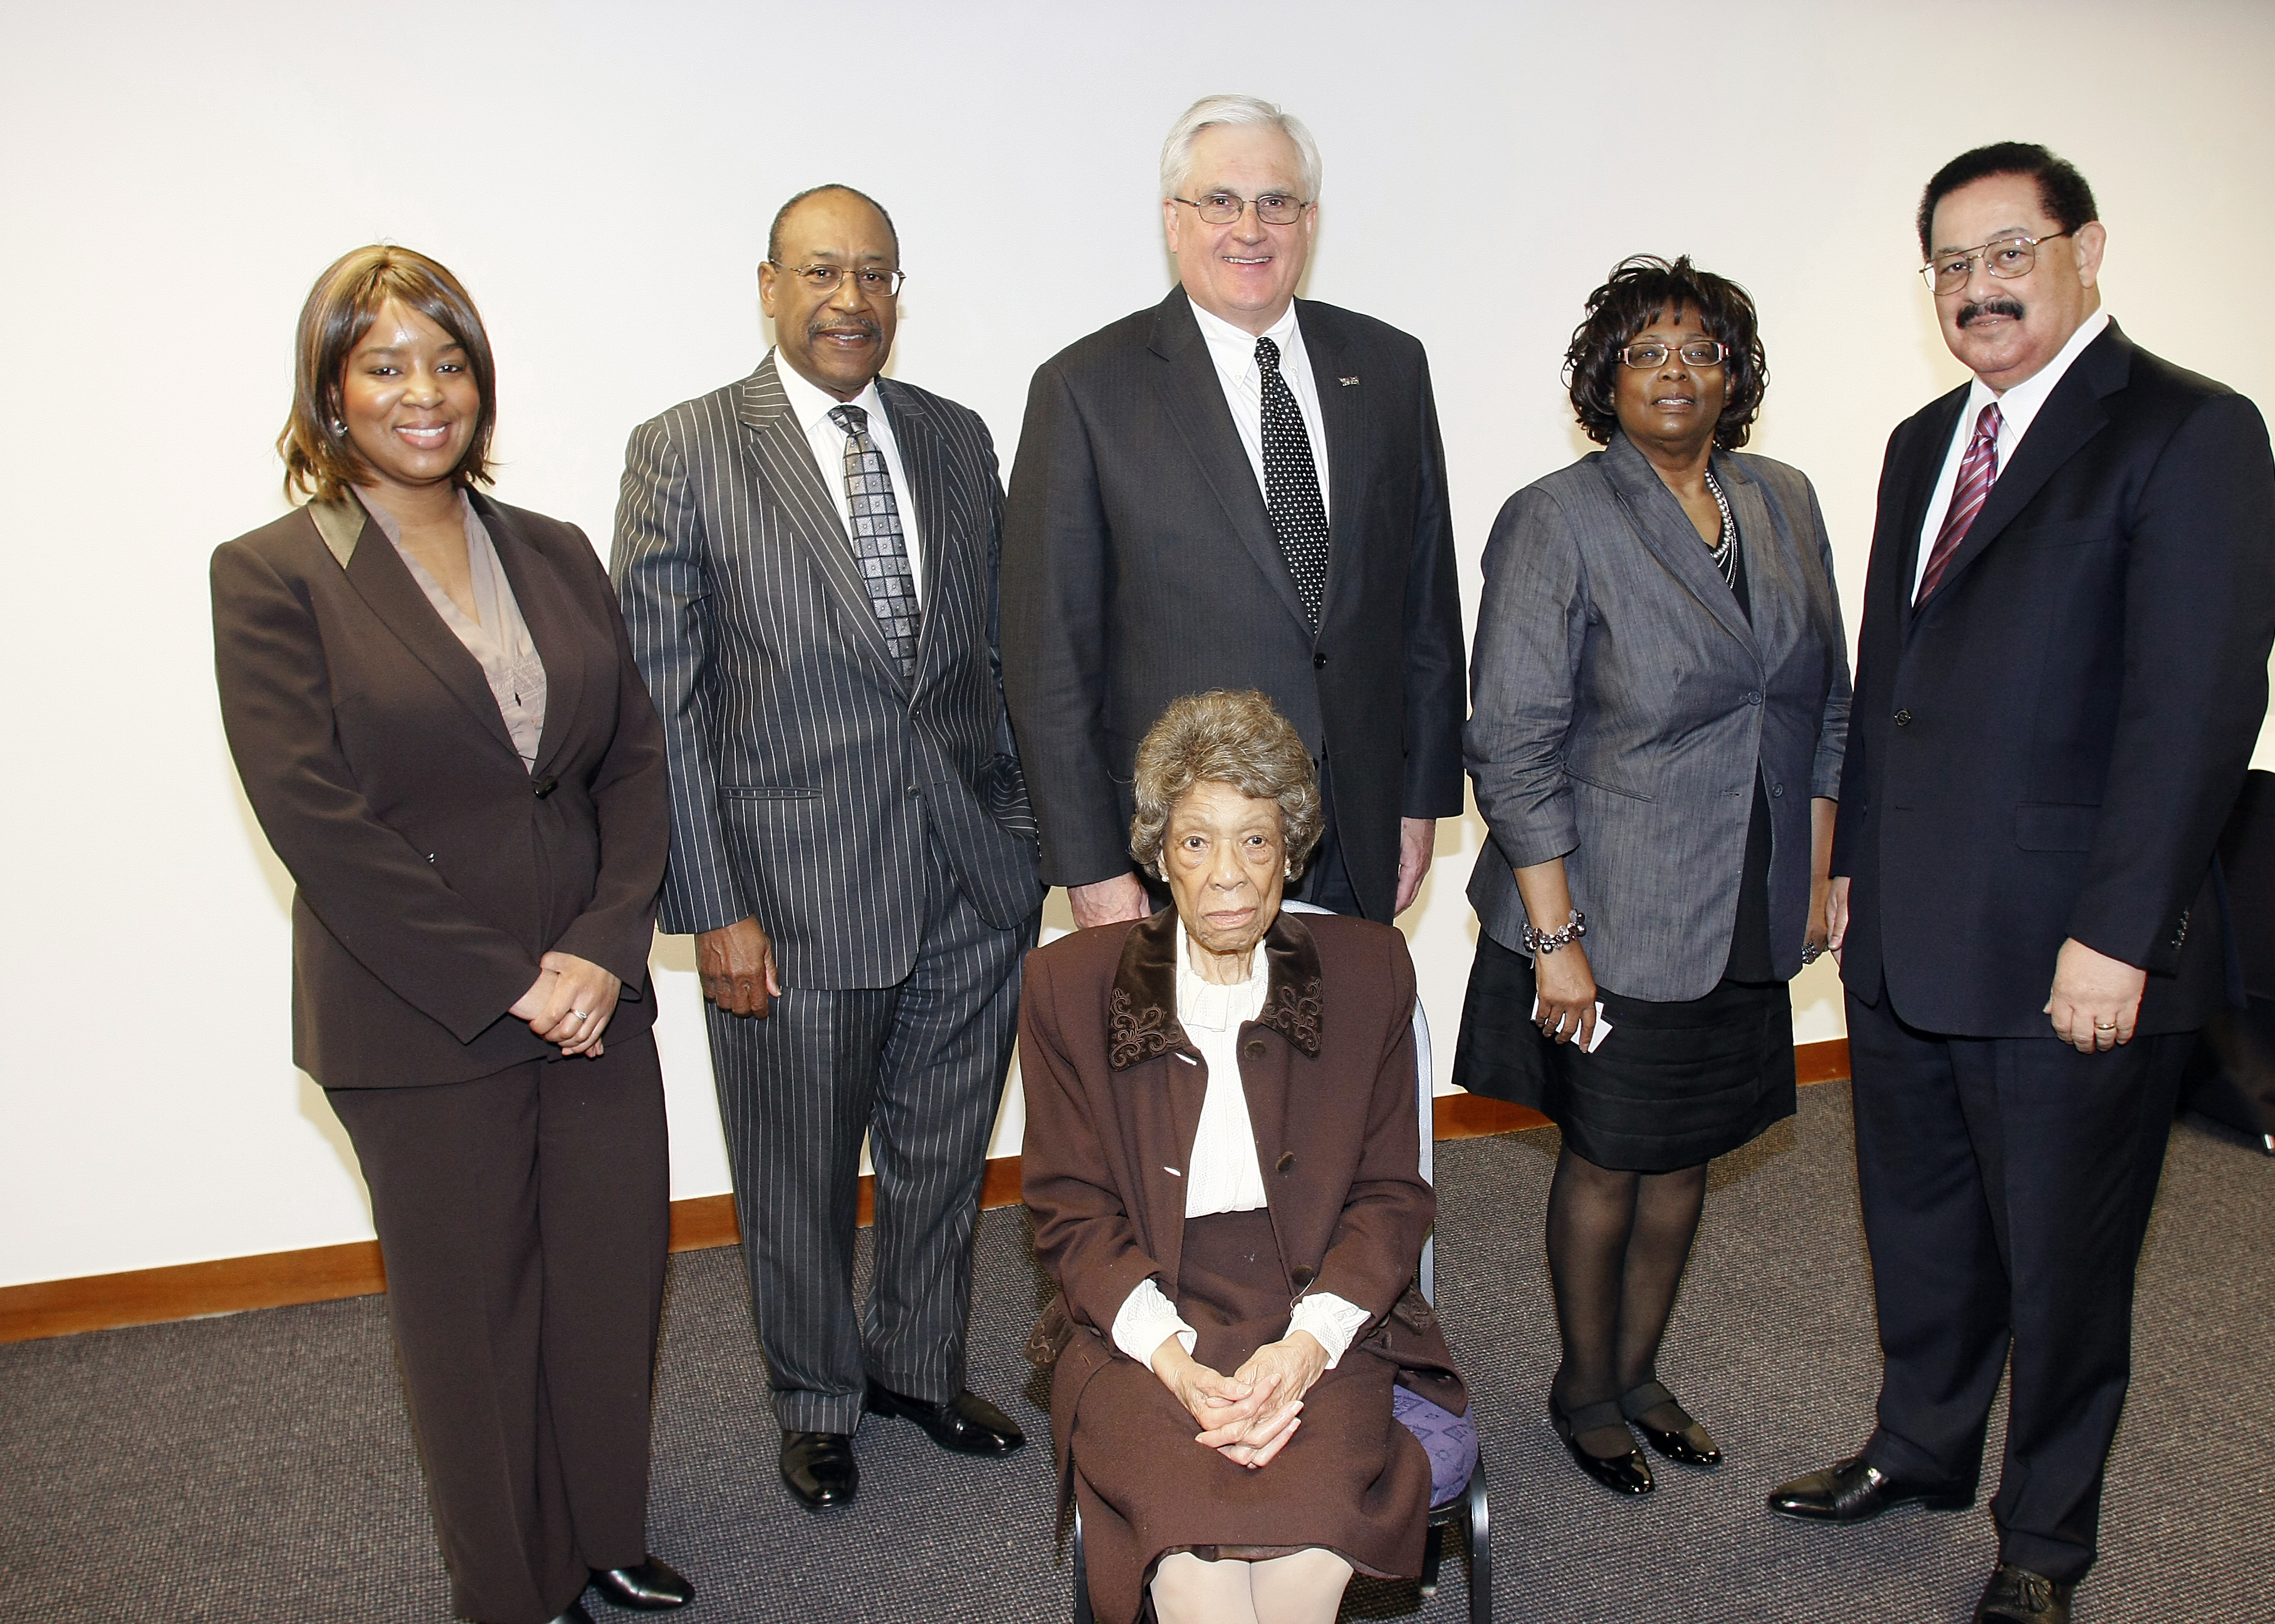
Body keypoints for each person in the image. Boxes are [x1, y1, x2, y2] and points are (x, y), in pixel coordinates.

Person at [1767, 144, 2275, 1624]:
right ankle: (1922, 1451)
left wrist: (2119, 934)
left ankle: (2045, 1541)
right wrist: (1853, 863)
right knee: (1921, 1224)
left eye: (2009, 251)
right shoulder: (1924, 442)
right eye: (1950, 263)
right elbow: (1890, 687)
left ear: (2087, 248)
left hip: (2074, 950)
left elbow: (2195, 714)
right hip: (1910, 931)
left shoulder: (2187, 433)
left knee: (2066, 1266)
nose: (1978, 287)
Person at [211, 246, 690, 1624]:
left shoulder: (553, 548)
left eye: (450, 360)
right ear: (331, 390)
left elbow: (631, 765)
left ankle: (603, 1533)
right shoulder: (271, 576)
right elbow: (321, 824)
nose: (425, 392)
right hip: (419, 1017)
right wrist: (509, 984)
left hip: (599, 996)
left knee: (609, 1284)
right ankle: (514, 1583)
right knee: (473, 1323)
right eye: (385, 364)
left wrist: (602, 949)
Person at [612, 185, 1043, 1513]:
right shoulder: (685, 449)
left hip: (969, 881)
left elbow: (1002, 655)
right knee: (796, 1174)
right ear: (767, 285)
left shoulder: (959, 440)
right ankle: (815, 1399)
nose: (851, 300)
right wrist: (712, 906)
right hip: (788, 907)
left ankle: (918, 1365)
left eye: (875, 275)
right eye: (821, 273)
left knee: (942, 1150)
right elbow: (661, 698)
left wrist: (1023, 840)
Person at [1455, 256, 1852, 1498]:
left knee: (1691, 1150)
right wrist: (1555, 936)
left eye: (1702, 350)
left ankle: (1642, 1370)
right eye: (1648, 351)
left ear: (1735, 376)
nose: (1677, 372)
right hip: (1607, 901)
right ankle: (1586, 1389)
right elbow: (1511, 744)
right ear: (1605, 379)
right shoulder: (1558, 518)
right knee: (1614, 1155)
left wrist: (1824, 877)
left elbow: (1825, 704)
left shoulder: (1781, 499)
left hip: (1747, 891)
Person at [1020, 690, 1468, 1624]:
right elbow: (1070, 1213)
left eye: (1255, 841)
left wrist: (1304, 1351)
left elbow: (1390, 1197)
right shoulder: (1069, 987)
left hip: (1323, 1307)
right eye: (1197, 842)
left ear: (1290, 849)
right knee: (1192, 1570)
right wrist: (1176, 1363)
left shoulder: (1367, 970)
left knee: (1309, 1556)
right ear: (1159, 854)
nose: (1228, 875)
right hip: (1143, 1323)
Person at [1002, 93, 1466, 930]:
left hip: (1355, 838)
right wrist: (1090, 866)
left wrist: (1419, 801)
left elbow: (1426, 608)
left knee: (1346, 1060)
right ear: (1174, 221)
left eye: (1275, 203)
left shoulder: (1391, 368)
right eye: (1219, 201)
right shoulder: (1086, 390)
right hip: (1173, 855)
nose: (1249, 229)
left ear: (1310, 221)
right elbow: (1048, 663)